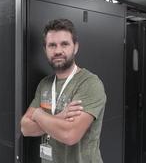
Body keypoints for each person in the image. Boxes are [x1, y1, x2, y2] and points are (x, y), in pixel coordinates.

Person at [21, 19, 106, 163]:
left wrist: (38, 113)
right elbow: (25, 128)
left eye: (64, 44)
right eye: (52, 45)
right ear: (45, 49)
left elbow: (70, 134)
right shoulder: (44, 84)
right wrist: (60, 117)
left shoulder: (90, 83)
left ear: (76, 47)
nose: (58, 51)